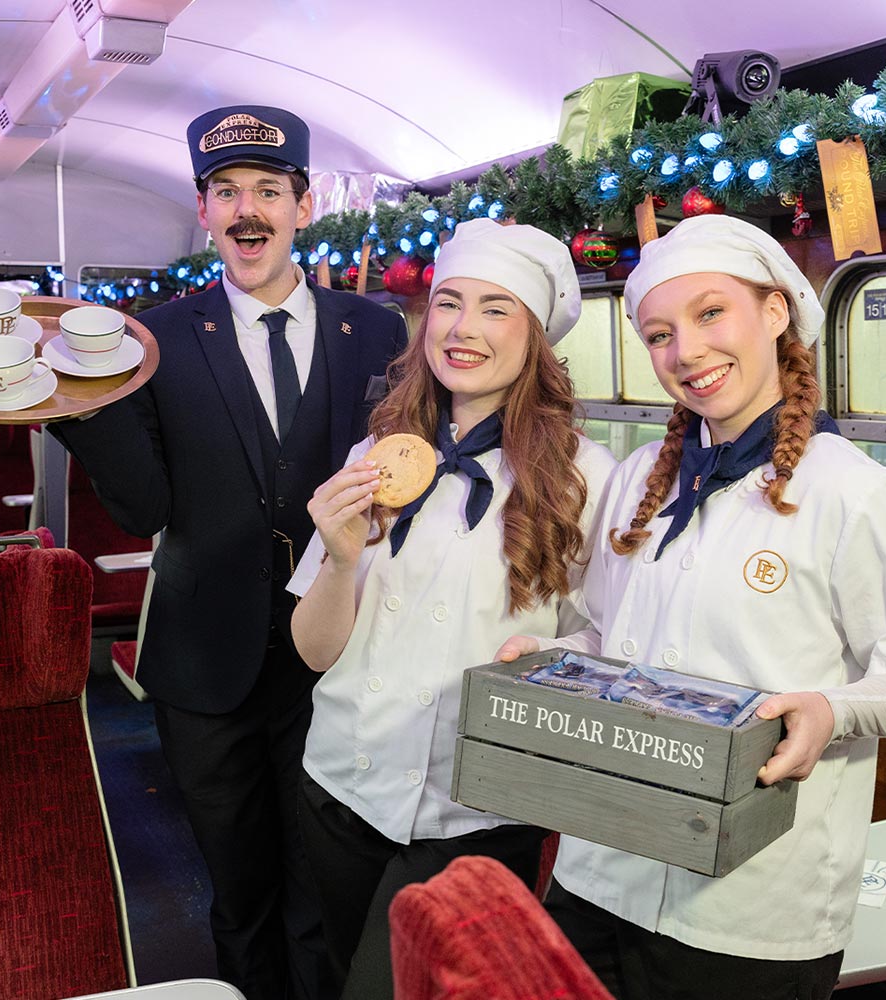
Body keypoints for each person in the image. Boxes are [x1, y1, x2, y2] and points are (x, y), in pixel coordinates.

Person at [498, 214, 886, 1000]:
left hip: (753, 905)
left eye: (712, 314)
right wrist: (552, 668)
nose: (687, 352)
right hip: (602, 870)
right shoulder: (640, 475)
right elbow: (606, 631)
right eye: (660, 334)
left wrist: (828, 712)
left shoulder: (853, 493)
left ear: (775, 313)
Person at [50, 105, 408, 1000]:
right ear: (203, 208)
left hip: (338, 656)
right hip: (203, 663)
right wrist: (74, 404)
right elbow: (143, 509)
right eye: (227, 192)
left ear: (304, 203)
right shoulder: (153, 341)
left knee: (323, 889)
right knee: (240, 894)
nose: (248, 210)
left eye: (268, 190)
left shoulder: (378, 332)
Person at [286, 217, 620, 999]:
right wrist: (337, 561)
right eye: (449, 303)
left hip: (478, 814)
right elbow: (313, 653)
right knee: (343, 977)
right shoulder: (370, 457)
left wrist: (547, 665)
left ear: (535, 338)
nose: (464, 329)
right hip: (342, 783)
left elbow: (609, 644)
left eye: (496, 309)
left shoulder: (589, 479)